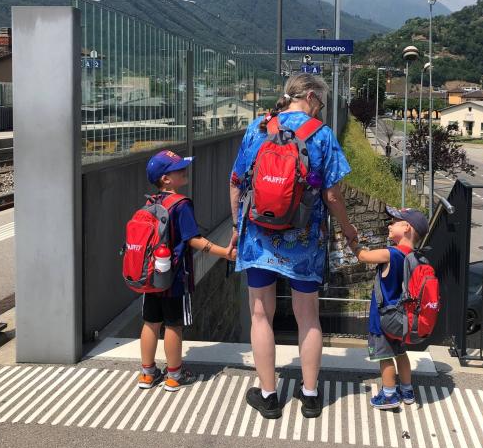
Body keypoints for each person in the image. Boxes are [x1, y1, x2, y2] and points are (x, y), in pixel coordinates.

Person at [229, 74, 358, 420]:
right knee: (308, 316)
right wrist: (348, 230)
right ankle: (311, 396)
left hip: (258, 237)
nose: (322, 109)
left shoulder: (258, 127)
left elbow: (237, 182)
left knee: (260, 315)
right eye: (322, 102)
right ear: (311, 96)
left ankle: (268, 396)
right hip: (305, 239)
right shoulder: (322, 135)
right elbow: (332, 195)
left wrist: (236, 227)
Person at [138, 150, 236, 390]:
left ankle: (147, 374)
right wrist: (224, 252)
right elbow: (194, 240)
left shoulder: (150, 203)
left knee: (151, 322)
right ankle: (174, 375)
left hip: (150, 275)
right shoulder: (181, 205)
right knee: (173, 325)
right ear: (165, 179)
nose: (184, 171)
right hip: (174, 278)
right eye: (178, 169)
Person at [351, 206, 429, 409]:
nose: (389, 225)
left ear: (406, 227)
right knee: (400, 353)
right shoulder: (416, 257)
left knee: (385, 357)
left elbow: (363, 256)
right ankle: (407, 390)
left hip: (383, 319)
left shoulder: (391, 254)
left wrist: (352, 241)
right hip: (403, 319)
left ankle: (389, 395)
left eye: (394, 222)